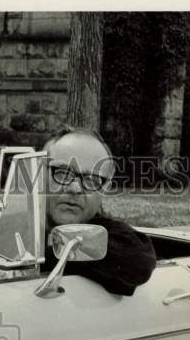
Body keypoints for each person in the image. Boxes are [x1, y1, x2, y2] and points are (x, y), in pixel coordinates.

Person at [42, 126, 156, 296]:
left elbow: (138, 262)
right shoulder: (3, 223)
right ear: (37, 174)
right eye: (62, 173)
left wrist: (47, 247)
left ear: (105, 188)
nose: (74, 188)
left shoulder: (114, 236)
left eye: (90, 179)